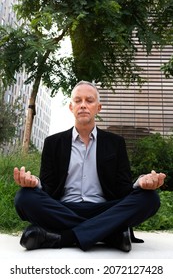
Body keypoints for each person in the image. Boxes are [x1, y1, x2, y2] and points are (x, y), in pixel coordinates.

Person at [14, 80, 166, 252]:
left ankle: (61, 238)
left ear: (98, 107)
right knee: (24, 198)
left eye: (89, 100)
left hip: (104, 209)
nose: (83, 105)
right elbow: (48, 190)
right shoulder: (53, 143)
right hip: (64, 208)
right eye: (78, 101)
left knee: (149, 198)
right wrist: (35, 183)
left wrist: (140, 183)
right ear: (71, 107)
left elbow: (122, 189)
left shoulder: (115, 143)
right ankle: (110, 234)